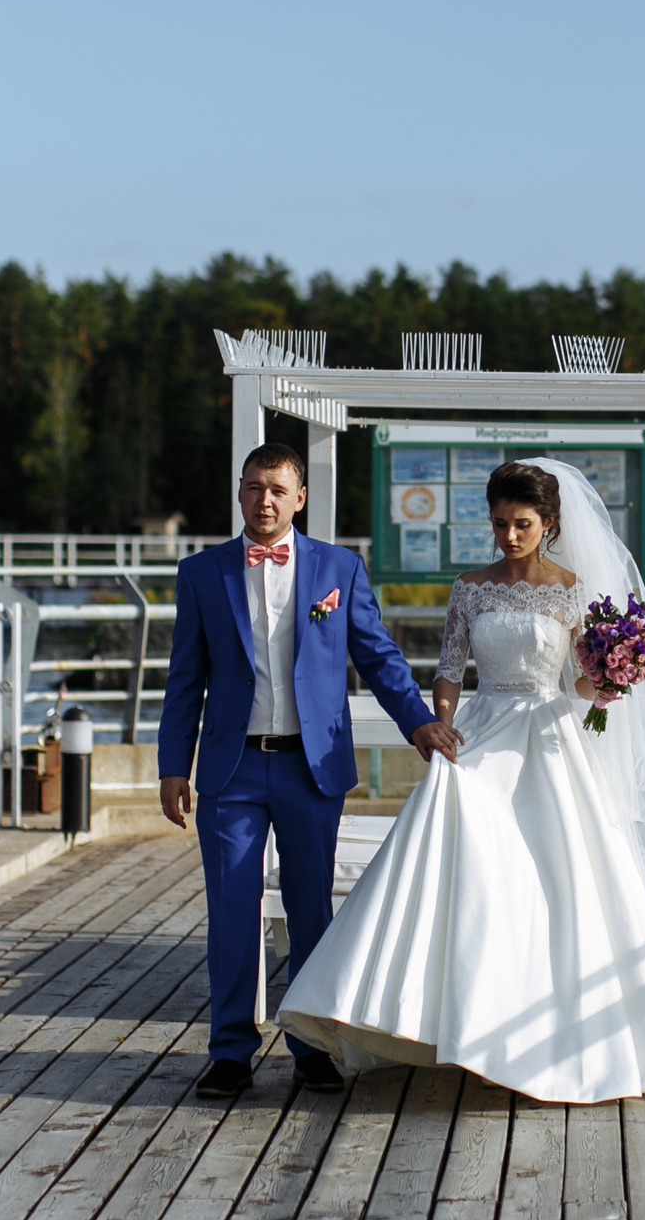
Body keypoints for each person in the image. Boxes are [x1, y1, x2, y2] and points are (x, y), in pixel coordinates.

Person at [280, 458, 645, 1102]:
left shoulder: (573, 589)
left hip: (552, 740)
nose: (508, 535)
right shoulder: (470, 587)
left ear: (548, 523)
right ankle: (453, 1023)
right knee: (468, 864)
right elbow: (450, 669)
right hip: (482, 733)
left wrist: (614, 674)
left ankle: (554, 1034)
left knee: (562, 880)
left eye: (521, 524)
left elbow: (583, 683)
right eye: (500, 523)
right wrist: (439, 725)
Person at [158, 444, 461, 1100]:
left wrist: (419, 724)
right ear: (239, 494)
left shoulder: (338, 569)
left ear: (299, 497)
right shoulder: (201, 573)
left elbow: (378, 659)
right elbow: (184, 680)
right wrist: (171, 765)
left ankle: (311, 1046)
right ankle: (231, 1050)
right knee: (232, 910)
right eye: (252, 487)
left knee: (310, 911)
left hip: (311, 768)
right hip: (230, 773)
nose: (263, 500)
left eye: (276, 489)